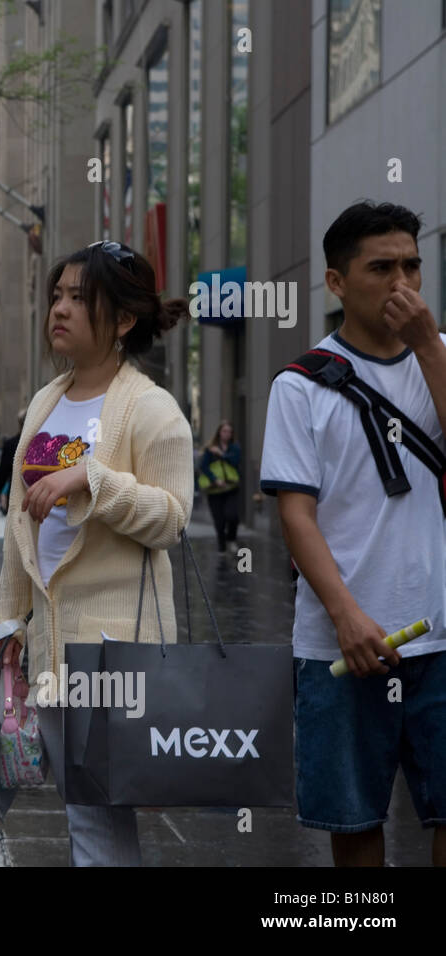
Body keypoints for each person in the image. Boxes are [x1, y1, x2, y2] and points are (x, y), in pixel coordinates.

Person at [0, 240, 193, 866]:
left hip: (115, 653)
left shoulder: (151, 410)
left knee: (101, 824)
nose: (60, 309)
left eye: (80, 298)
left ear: (123, 320)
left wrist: (91, 481)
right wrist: (5, 622)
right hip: (49, 646)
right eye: (57, 296)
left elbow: (173, 520)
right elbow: (23, 526)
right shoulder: (46, 403)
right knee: (83, 817)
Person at [260, 201, 446, 866]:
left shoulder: (440, 359)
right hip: (338, 642)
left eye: (412, 266)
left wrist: (428, 346)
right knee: (355, 824)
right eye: (381, 268)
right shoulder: (299, 386)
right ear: (336, 283)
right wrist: (346, 615)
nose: (402, 283)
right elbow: (295, 513)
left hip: (441, 636)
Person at [198, 420, 242, 552]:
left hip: (231, 488)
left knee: (232, 516)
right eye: (224, 431)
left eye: (229, 431)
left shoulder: (234, 447)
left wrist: (221, 454)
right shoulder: (210, 448)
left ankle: (231, 539)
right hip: (214, 490)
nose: (227, 434)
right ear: (219, 432)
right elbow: (203, 466)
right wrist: (215, 479)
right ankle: (222, 547)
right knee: (219, 521)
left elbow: (235, 462)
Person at [0, 410, 26, 514]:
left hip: (20, 491)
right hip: (18, 491)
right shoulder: (11, 444)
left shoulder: (11, 444)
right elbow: (3, 470)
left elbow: (3, 470)